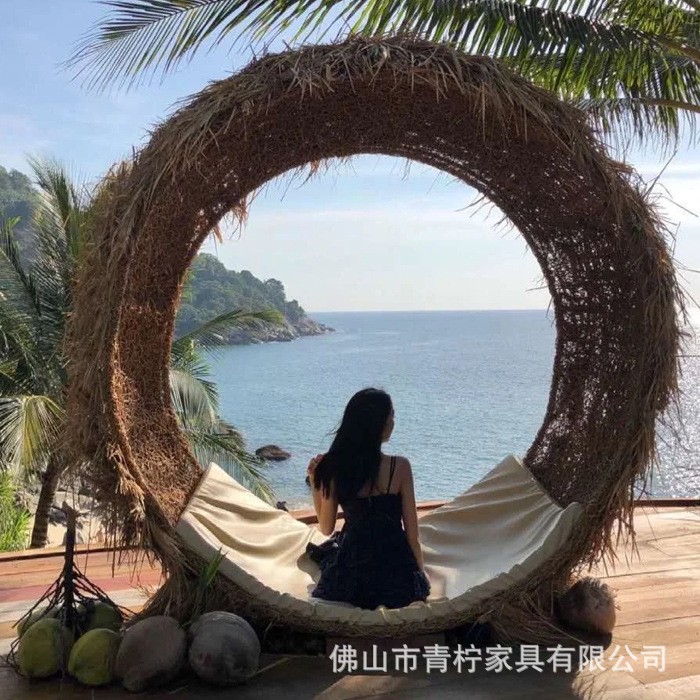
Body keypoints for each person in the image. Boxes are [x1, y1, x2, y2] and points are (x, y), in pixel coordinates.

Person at [305, 388, 430, 609]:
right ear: (379, 423)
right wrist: (420, 576)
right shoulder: (400, 467)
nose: (393, 423)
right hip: (394, 569)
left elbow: (325, 527)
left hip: (353, 571)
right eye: (391, 416)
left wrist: (316, 484)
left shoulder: (335, 467)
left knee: (329, 552)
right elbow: (413, 537)